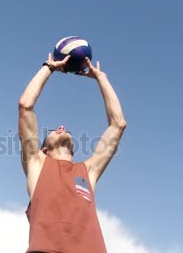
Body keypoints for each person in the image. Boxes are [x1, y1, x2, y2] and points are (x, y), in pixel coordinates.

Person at [18, 54, 127, 253]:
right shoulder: (37, 163)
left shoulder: (88, 171)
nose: (61, 126)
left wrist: (101, 78)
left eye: (64, 128)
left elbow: (118, 124)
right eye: (53, 129)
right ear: (44, 149)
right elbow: (25, 106)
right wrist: (49, 67)